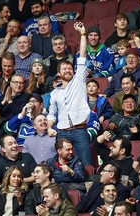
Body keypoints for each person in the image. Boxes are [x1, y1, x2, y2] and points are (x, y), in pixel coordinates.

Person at [47, 22, 92, 165]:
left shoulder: (79, 80)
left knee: (85, 163)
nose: (68, 70)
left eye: (69, 68)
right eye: (64, 69)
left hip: (79, 130)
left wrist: (83, 34)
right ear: (59, 74)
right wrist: (49, 127)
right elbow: (51, 114)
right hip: (61, 132)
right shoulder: (54, 93)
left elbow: (83, 56)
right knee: (62, 165)